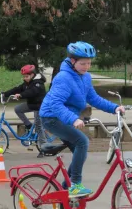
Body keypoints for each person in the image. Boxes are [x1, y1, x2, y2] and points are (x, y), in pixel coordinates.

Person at [39, 41, 124, 198]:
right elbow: (55, 104)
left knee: (81, 151)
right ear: (72, 61)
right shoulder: (63, 78)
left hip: (65, 117)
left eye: (89, 63)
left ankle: (66, 186)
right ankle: (75, 186)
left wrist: (114, 108)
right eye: (83, 63)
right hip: (51, 117)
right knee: (82, 141)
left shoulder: (84, 77)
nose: (86, 66)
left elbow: (93, 98)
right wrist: (73, 119)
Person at [1, 64, 47, 158]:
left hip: (40, 107)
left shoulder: (38, 83)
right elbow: (17, 88)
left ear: (32, 75)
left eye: (27, 76)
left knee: (38, 126)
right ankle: (28, 125)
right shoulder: (27, 83)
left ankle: (44, 149)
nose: (25, 78)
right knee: (18, 109)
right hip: (32, 105)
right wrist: (5, 93)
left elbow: (32, 92)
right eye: (24, 77)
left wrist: (21, 95)